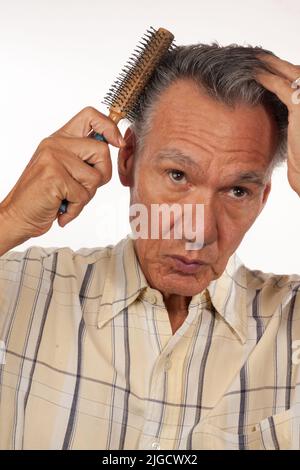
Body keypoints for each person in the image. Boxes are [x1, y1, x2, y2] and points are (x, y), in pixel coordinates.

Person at [0, 43, 299, 450]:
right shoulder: (18, 291)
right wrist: (9, 220)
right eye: (177, 175)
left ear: (263, 198)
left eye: (236, 190)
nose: (199, 231)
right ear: (128, 160)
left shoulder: (291, 324)